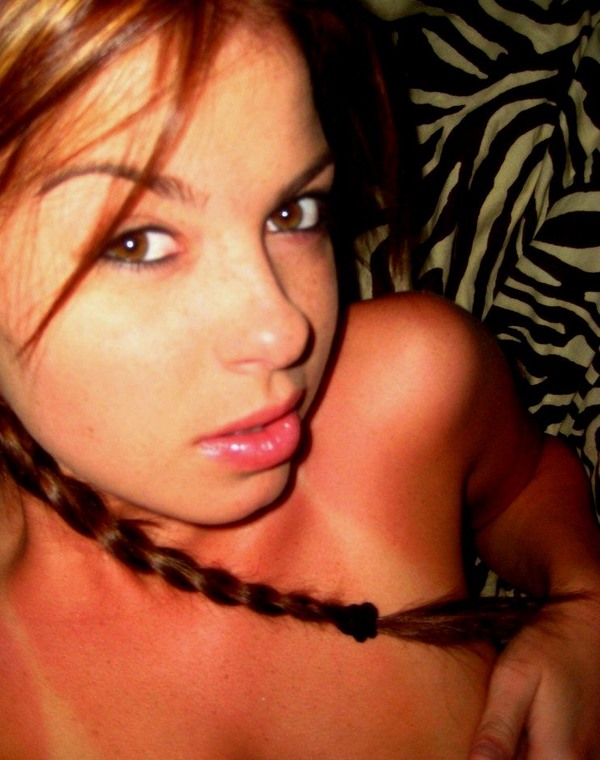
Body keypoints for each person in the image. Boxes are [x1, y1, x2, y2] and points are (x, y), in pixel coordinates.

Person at [0, 0, 598, 757]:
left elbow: (524, 483)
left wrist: (585, 601)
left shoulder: (409, 385)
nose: (284, 330)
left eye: (293, 212)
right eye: (138, 242)